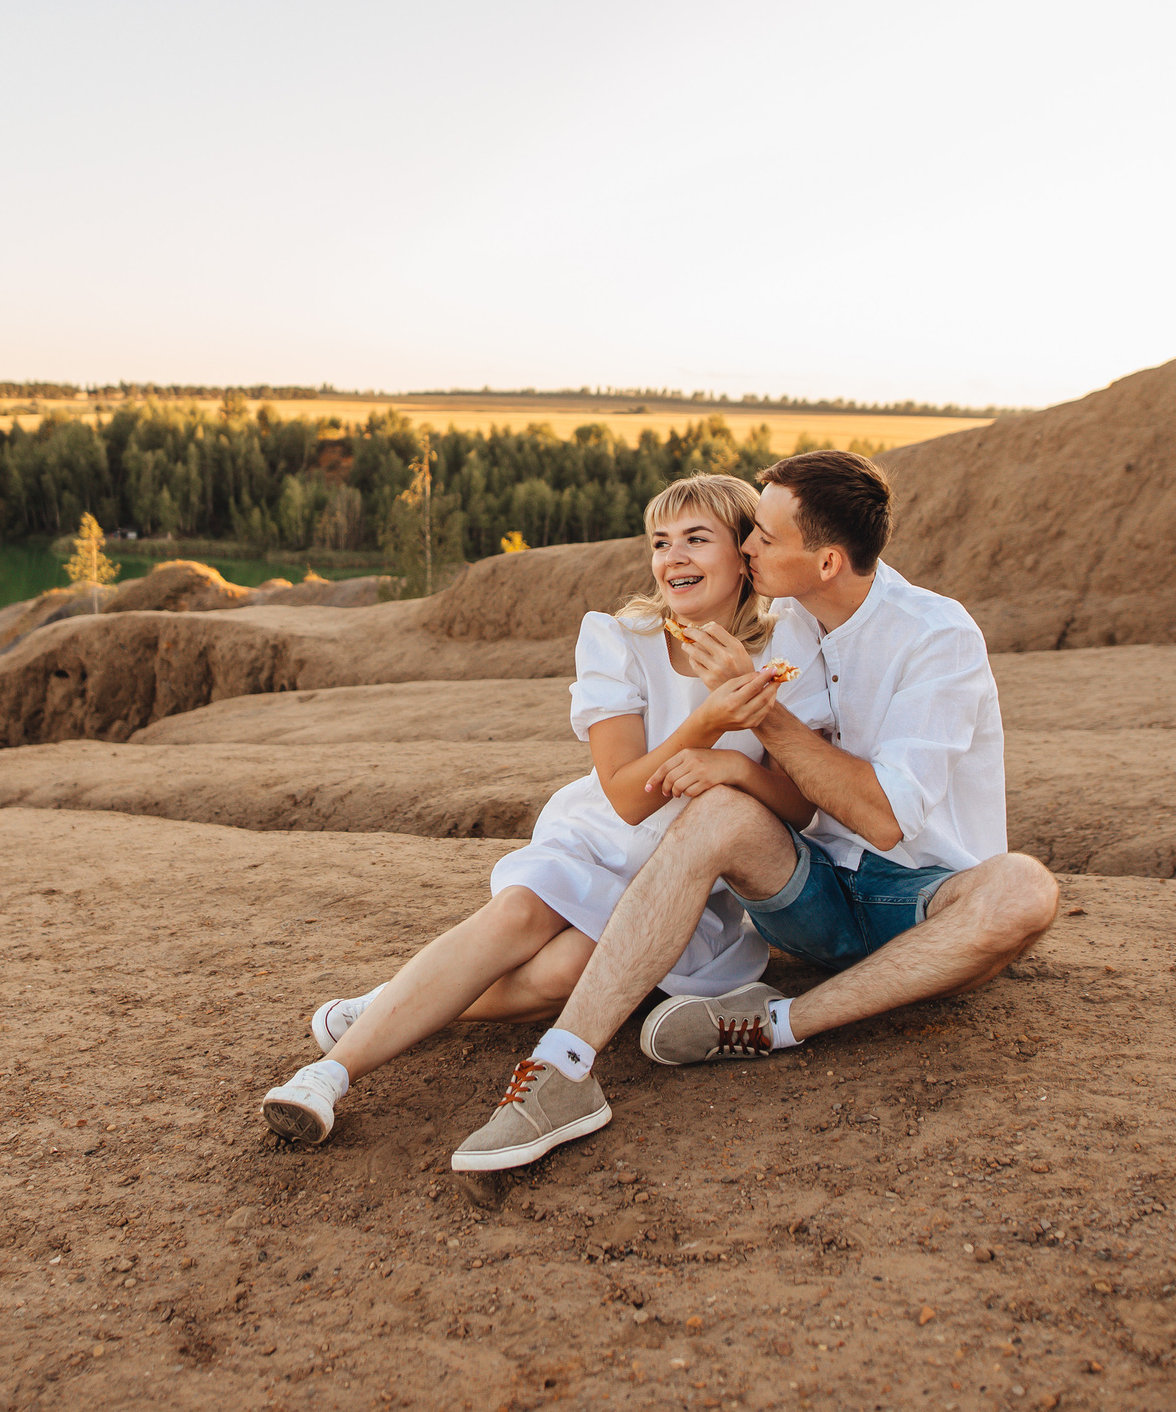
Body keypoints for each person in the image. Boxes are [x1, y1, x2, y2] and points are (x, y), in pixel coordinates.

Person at [448, 449, 1059, 1174]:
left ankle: (775, 1024)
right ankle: (563, 1068)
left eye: (765, 536)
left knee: (1024, 888)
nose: (747, 546)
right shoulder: (791, 624)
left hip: (921, 903)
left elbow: (887, 818)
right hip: (814, 894)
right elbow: (786, 792)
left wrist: (756, 717)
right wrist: (733, 758)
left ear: (827, 561)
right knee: (713, 814)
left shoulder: (938, 637)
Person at [260, 474, 821, 1153]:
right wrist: (706, 721)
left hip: (682, 882)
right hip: (601, 837)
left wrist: (735, 763)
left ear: (744, 554)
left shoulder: (789, 647)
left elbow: (798, 804)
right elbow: (625, 793)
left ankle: (388, 1002)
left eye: (697, 539)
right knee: (519, 916)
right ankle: (328, 1073)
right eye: (660, 541)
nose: (673, 558)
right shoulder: (622, 638)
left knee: (561, 974)